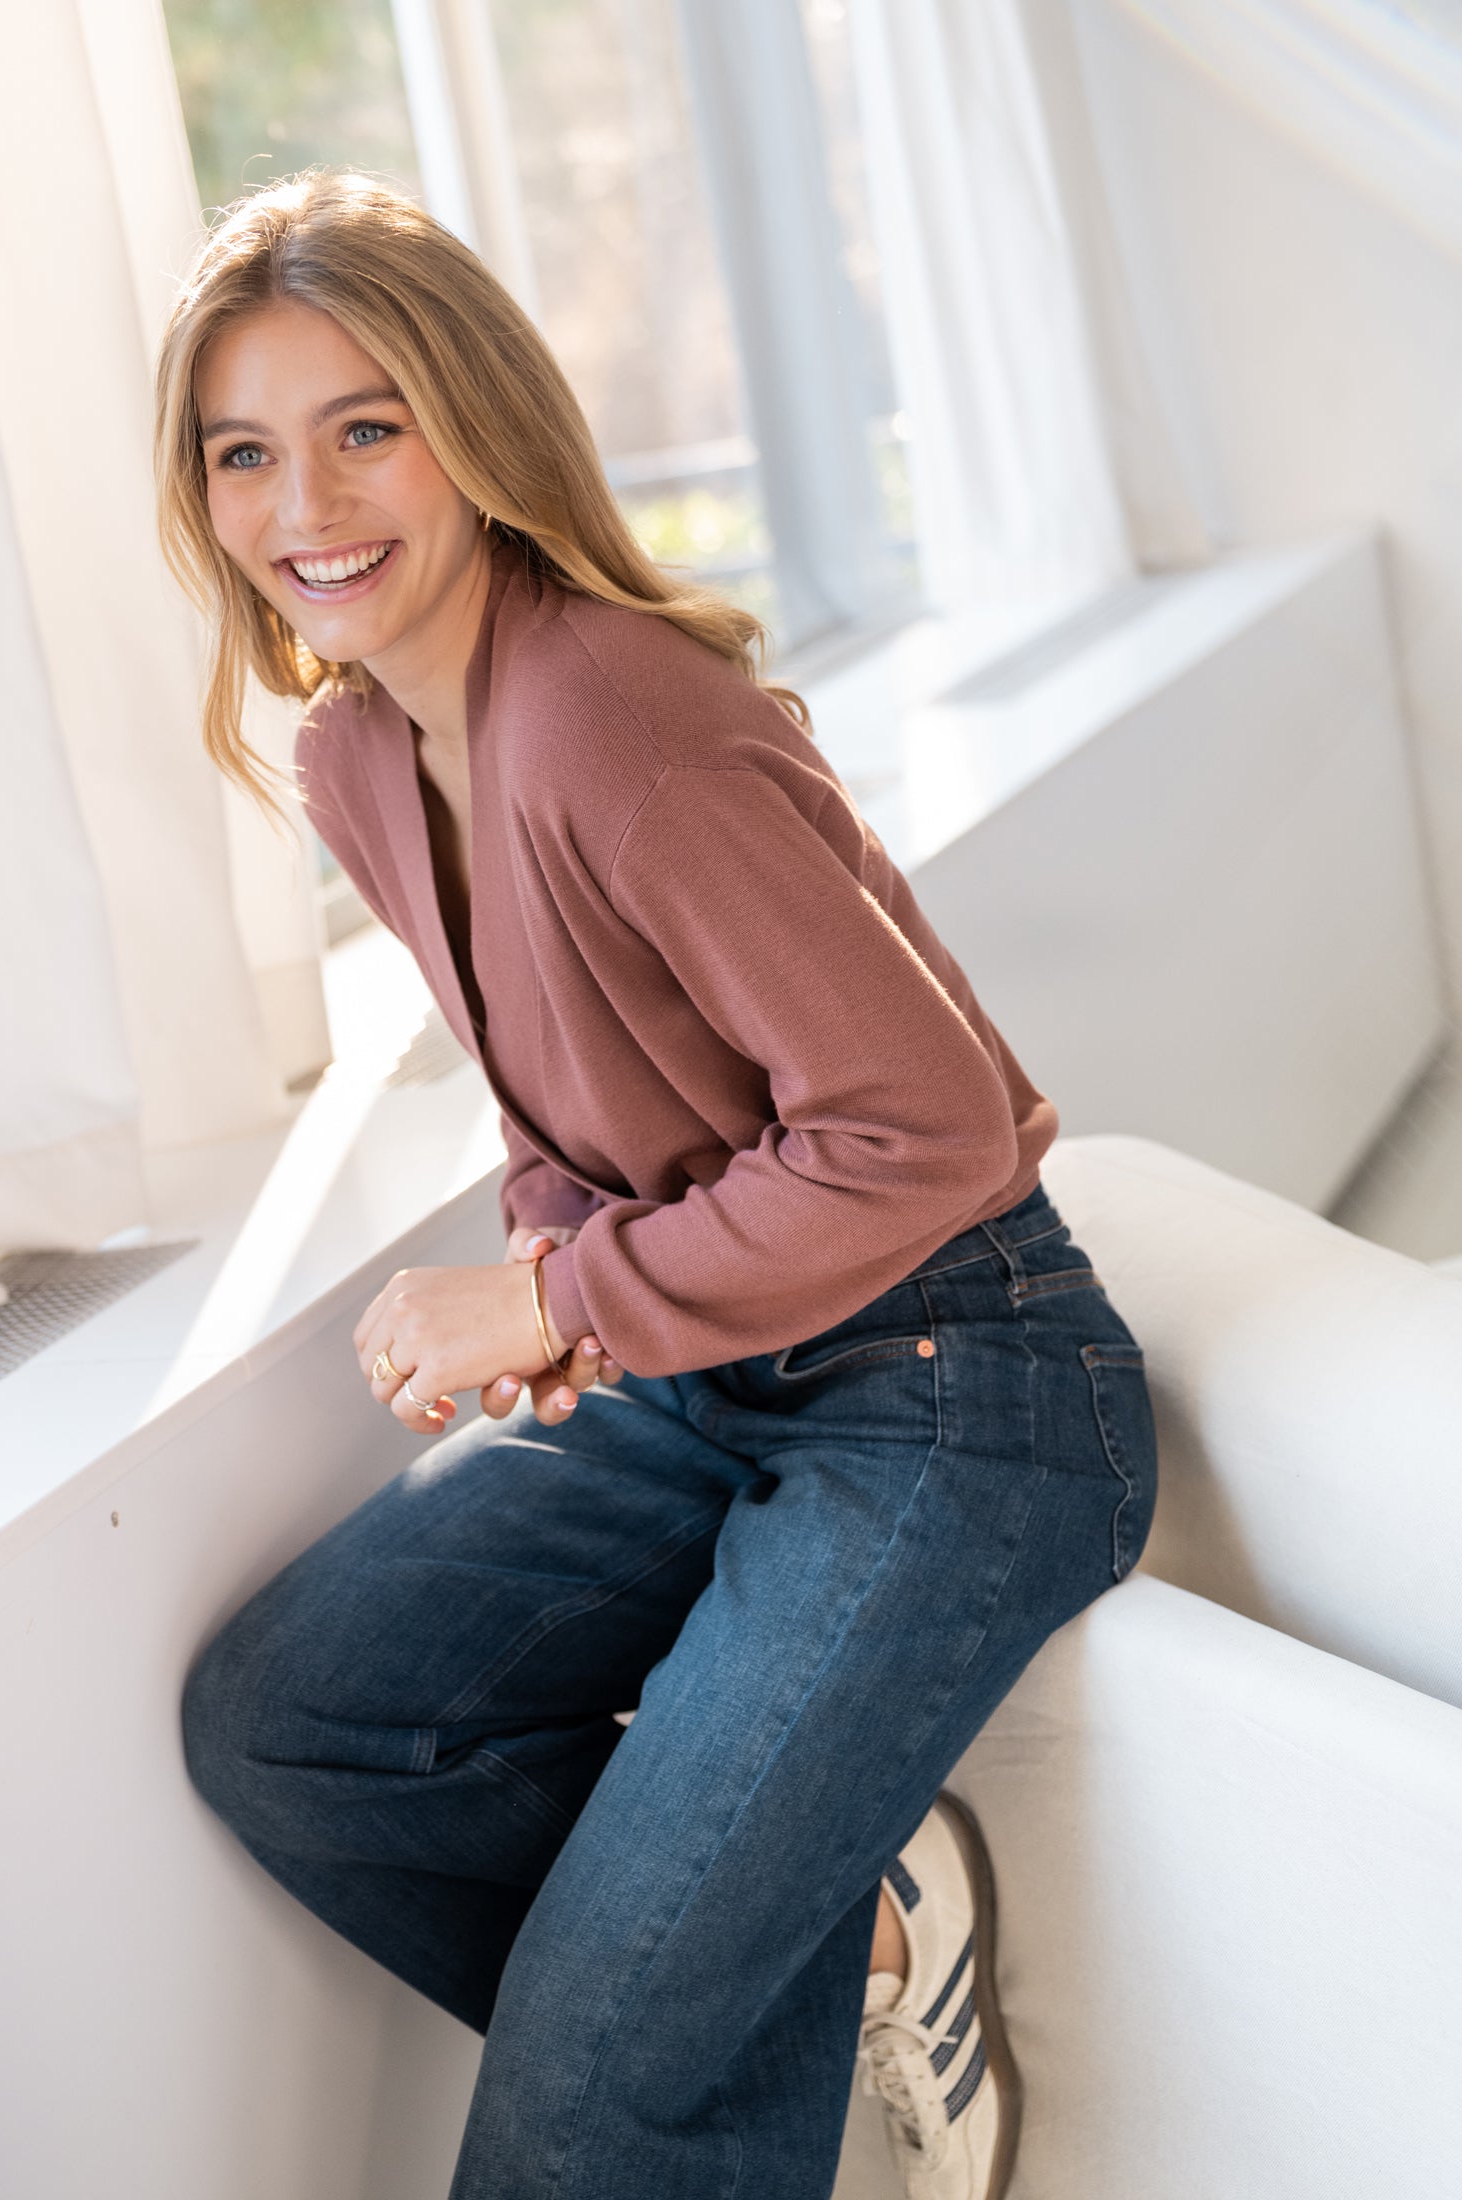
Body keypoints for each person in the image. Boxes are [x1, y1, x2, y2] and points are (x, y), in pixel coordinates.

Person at [161, 171, 1157, 2200]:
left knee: (598, 2090)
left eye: (370, 424)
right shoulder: (361, 754)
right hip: (718, 1375)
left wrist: (551, 1304)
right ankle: (854, 1939)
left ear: (481, 427)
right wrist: (557, 1259)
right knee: (296, 1721)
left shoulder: (618, 712)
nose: (307, 502)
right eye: (244, 450)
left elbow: (927, 1129)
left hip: (964, 1383)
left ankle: (672, 2041)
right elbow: (566, 1102)